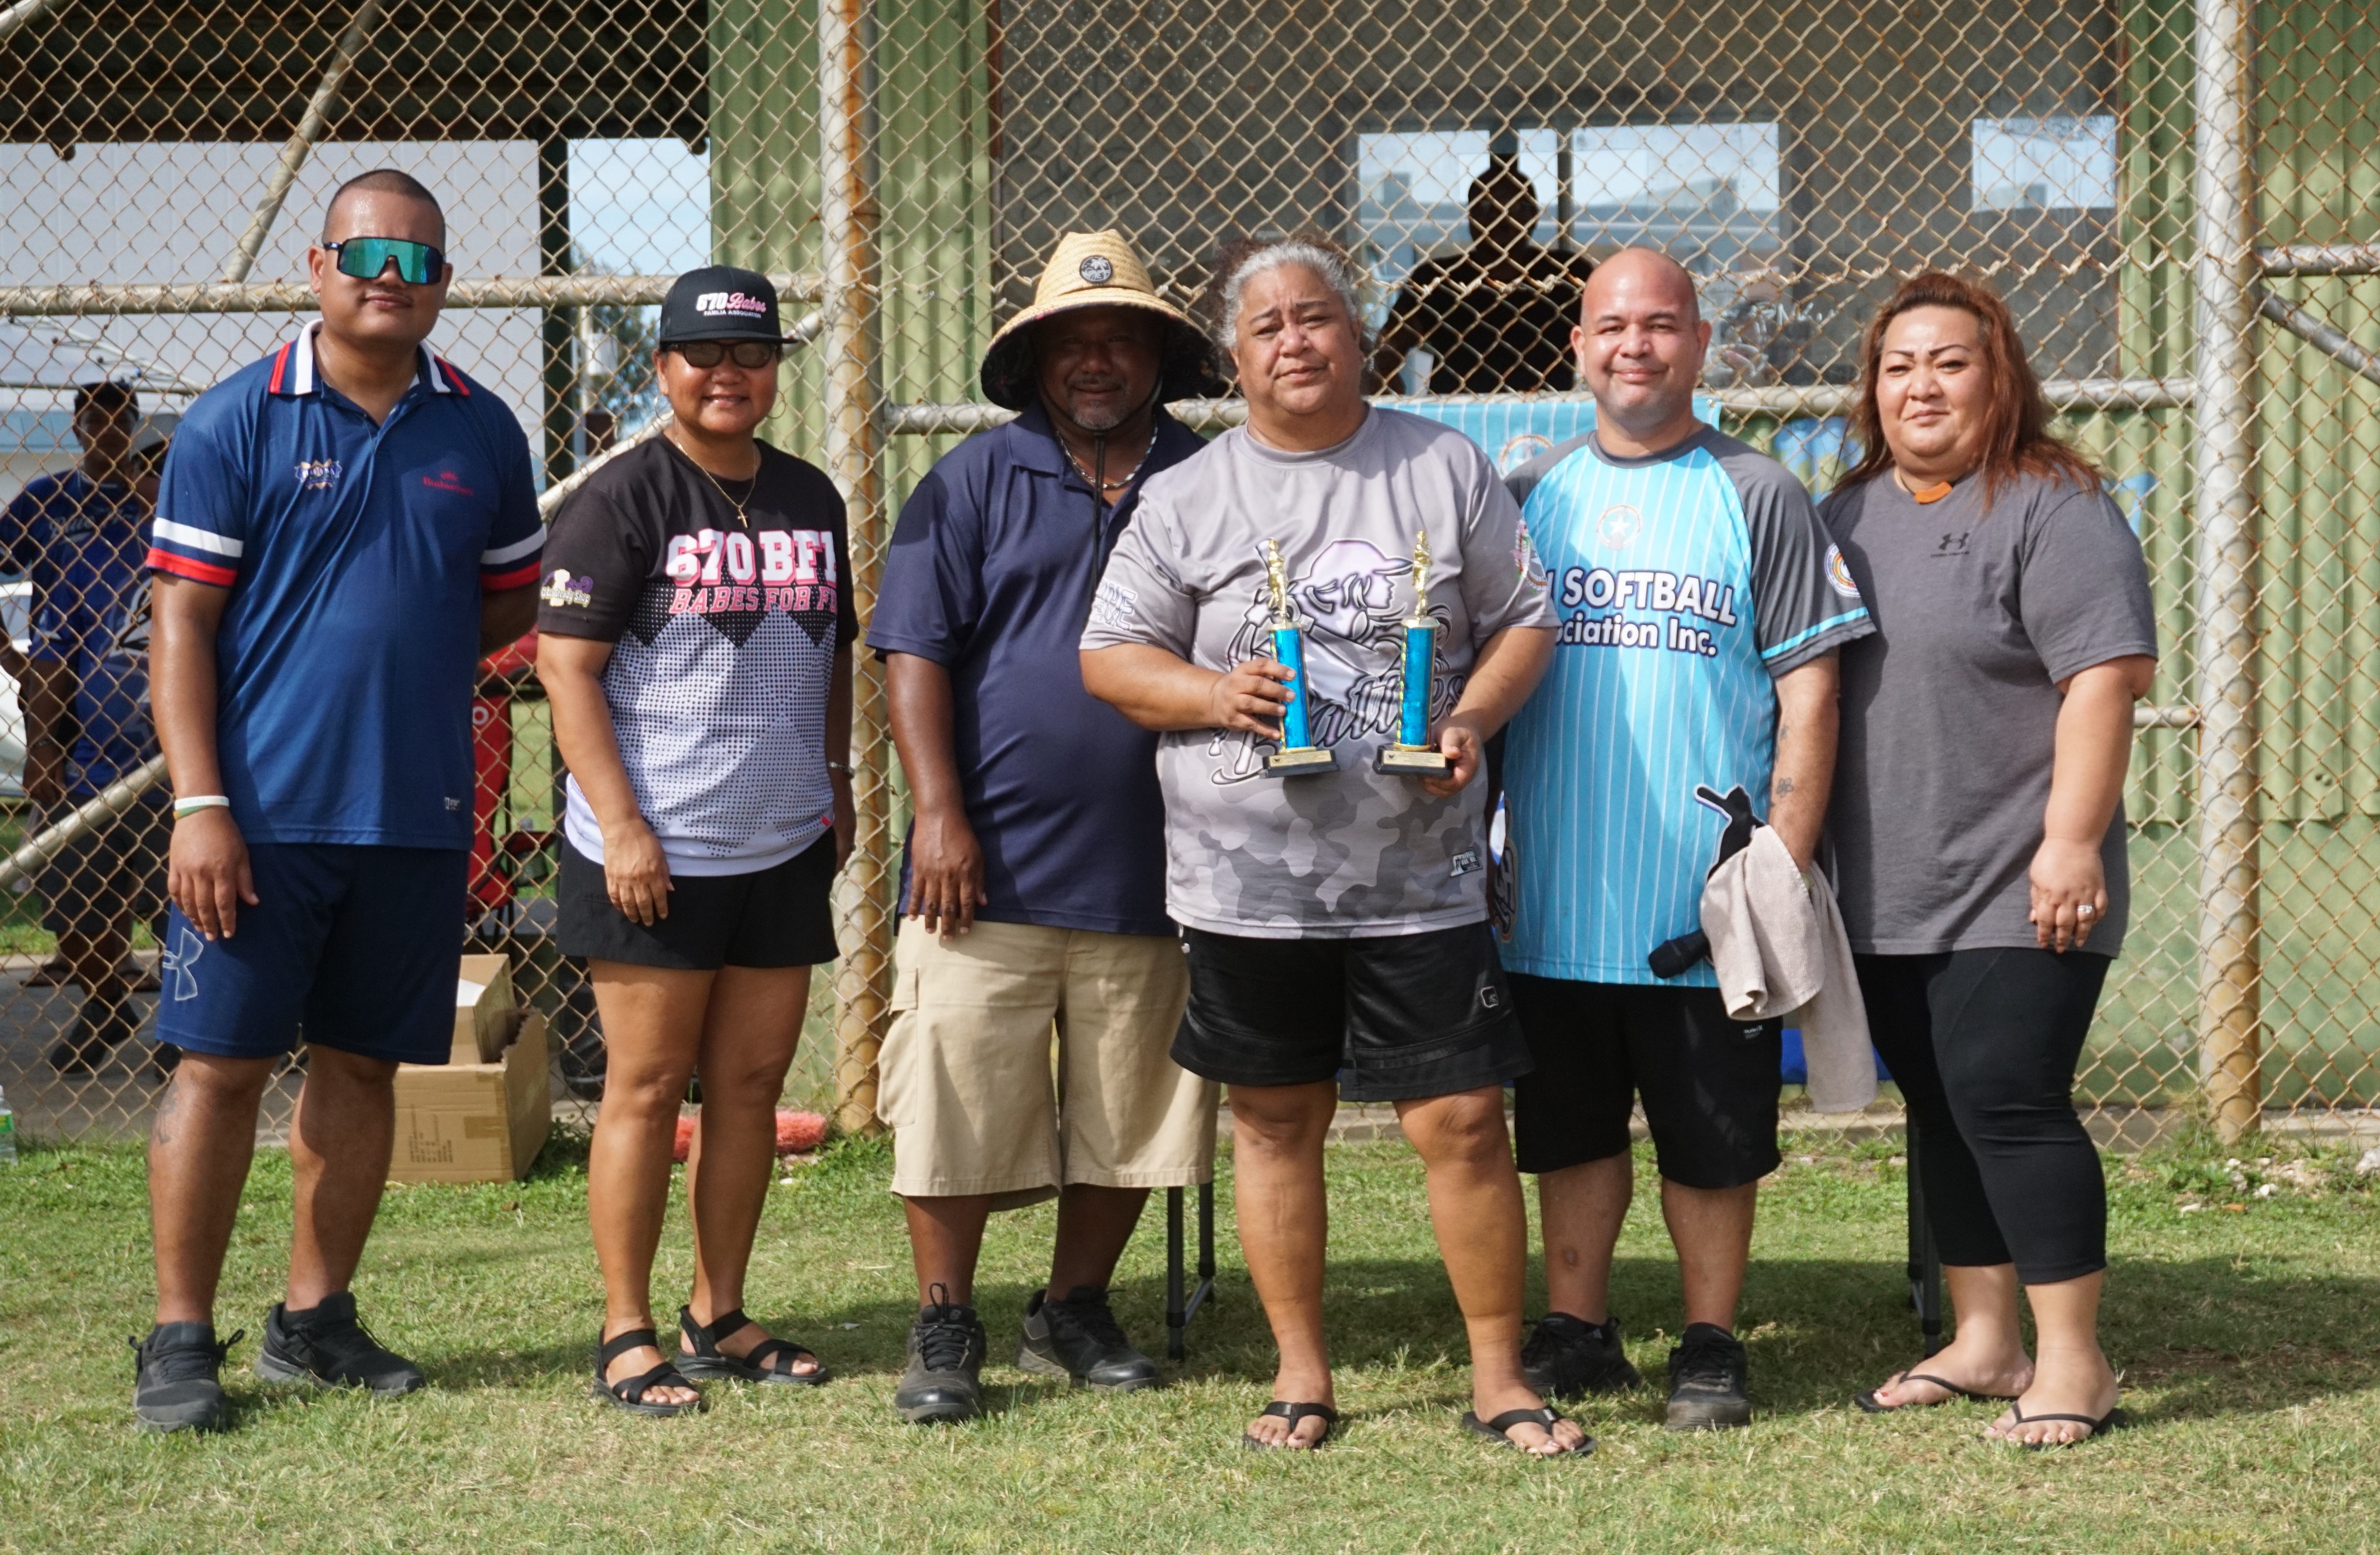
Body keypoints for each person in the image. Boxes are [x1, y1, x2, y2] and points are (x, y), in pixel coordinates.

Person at [1082, 235, 1588, 1456]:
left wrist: (1467, 716)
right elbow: (1109, 656)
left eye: (1315, 318)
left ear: (1358, 337)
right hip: (1246, 883)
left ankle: (1497, 1376)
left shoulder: (1440, 465)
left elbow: (1525, 620)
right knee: (1270, 1118)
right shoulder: (1187, 495)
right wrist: (1215, 695)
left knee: (1462, 1117)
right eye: (1266, 327)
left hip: (1419, 878)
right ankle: (1301, 1374)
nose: (1293, 341)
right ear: (1234, 358)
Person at [134, 169, 543, 1434]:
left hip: (414, 819)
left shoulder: (481, 432)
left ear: (445, 288)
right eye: (365, 257)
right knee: (221, 1069)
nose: (388, 280)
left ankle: (314, 1323)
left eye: (417, 263)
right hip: (255, 823)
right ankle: (181, 1338)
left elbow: (506, 604)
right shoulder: (232, 422)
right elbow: (182, 626)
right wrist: (201, 801)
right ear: (316, 267)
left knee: (366, 1070)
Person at [1497, 248, 1874, 1430]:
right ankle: (1578, 1327)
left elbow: (1808, 686)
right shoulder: (1531, 493)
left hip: (1704, 899)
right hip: (1557, 888)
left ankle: (1709, 1339)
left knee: (1711, 1137)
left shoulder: (1753, 487)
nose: (1634, 347)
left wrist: (1782, 860)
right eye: (1611, 326)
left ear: (1700, 344)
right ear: (1575, 345)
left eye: (1660, 326)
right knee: (1567, 1126)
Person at [867, 230, 1222, 1426]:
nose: (1095, 360)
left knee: (1133, 1106)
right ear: (1031, 361)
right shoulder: (969, 479)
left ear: (1159, 355)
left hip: (1163, 863)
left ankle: (1073, 1303)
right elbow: (912, 650)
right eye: (1070, 342)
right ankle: (944, 1315)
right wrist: (938, 815)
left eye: (1120, 337)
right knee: (953, 1095)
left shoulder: (1210, 478)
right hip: (986, 870)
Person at [1823, 273, 2155, 1448]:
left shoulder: (2052, 504)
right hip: (1885, 882)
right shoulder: (1849, 511)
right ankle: (1982, 1339)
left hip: (2018, 880)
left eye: (1948, 361)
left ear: (1997, 374)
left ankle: (2073, 1360)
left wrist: (2069, 843)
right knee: (1940, 1106)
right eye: (1897, 364)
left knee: (2008, 1099)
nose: (1920, 384)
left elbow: (2103, 681)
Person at [537, 266, 856, 1417]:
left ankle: (716, 1308)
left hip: (777, 839)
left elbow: (831, 655)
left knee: (750, 1084)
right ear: (663, 366)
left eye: (751, 356)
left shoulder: (811, 496)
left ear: (774, 368)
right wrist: (620, 825)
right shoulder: (622, 497)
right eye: (702, 356)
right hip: (653, 846)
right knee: (645, 1084)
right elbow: (562, 668)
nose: (728, 376)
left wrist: (837, 780)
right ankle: (626, 1327)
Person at [3, 382, 171, 1069]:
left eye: (122, 424)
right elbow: (52, 654)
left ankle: (193, 1027)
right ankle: (107, 1003)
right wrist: (38, 727)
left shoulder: (219, 550)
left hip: (182, 762)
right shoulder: (68, 529)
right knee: (72, 901)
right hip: (88, 748)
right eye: (95, 420)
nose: (153, 477)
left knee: (182, 906)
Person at [1370, 138, 1594, 394]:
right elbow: (1387, 350)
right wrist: (1399, 409)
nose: (1502, 217)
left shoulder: (1567, 272)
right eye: (1488, 207)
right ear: (1471, 215)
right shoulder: (1437, 278)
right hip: (1457, 414)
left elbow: (1604, 335)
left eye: (1517, 207)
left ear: (1534, 214)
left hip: (1545, 412)